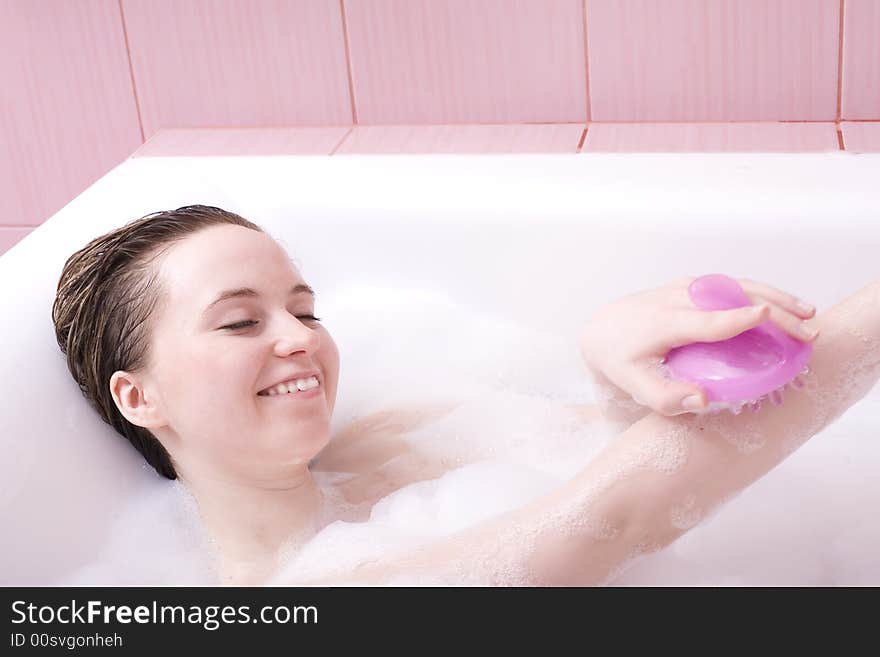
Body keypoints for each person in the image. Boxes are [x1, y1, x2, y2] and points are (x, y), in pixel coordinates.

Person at [52, 205, 880, 585]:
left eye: (305, 309)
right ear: (140, 397)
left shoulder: (388, 438)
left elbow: (613, 453)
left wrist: (617, 379)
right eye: (240, 323)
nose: (301, 336)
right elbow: (631, 509)